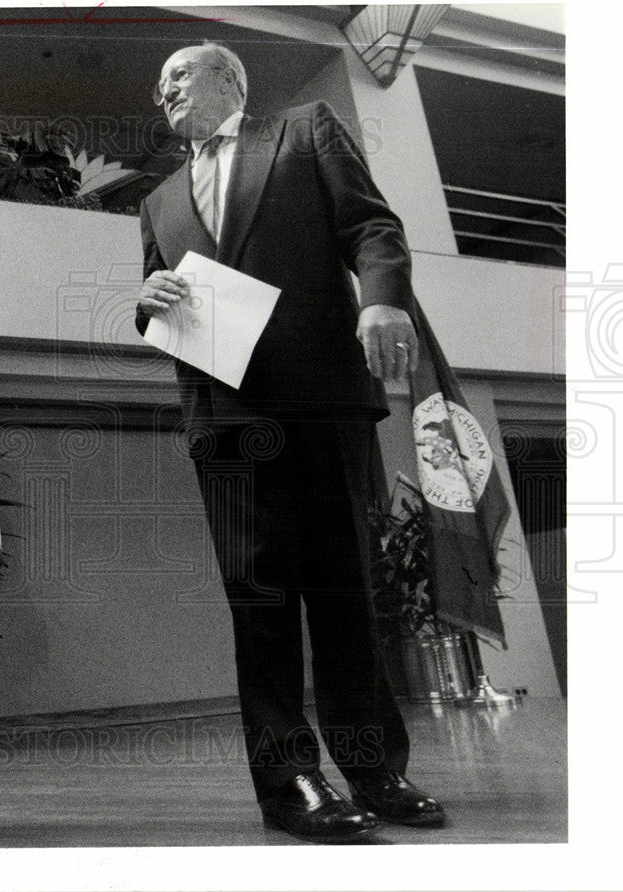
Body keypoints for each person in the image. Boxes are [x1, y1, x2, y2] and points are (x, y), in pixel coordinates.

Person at [136, 42, 444, 843]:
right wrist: (148, 299)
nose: (164, 89)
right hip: (225, 420)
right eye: (159, 84)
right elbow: (157, 304)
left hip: (320, 400)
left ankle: (374, 769)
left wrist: (383, 302)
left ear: (229, 81)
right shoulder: (158, 200)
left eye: (179, 75)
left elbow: (373, 227)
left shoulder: (305, 130)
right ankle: (289, 782)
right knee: (260, 605)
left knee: (345, 590)